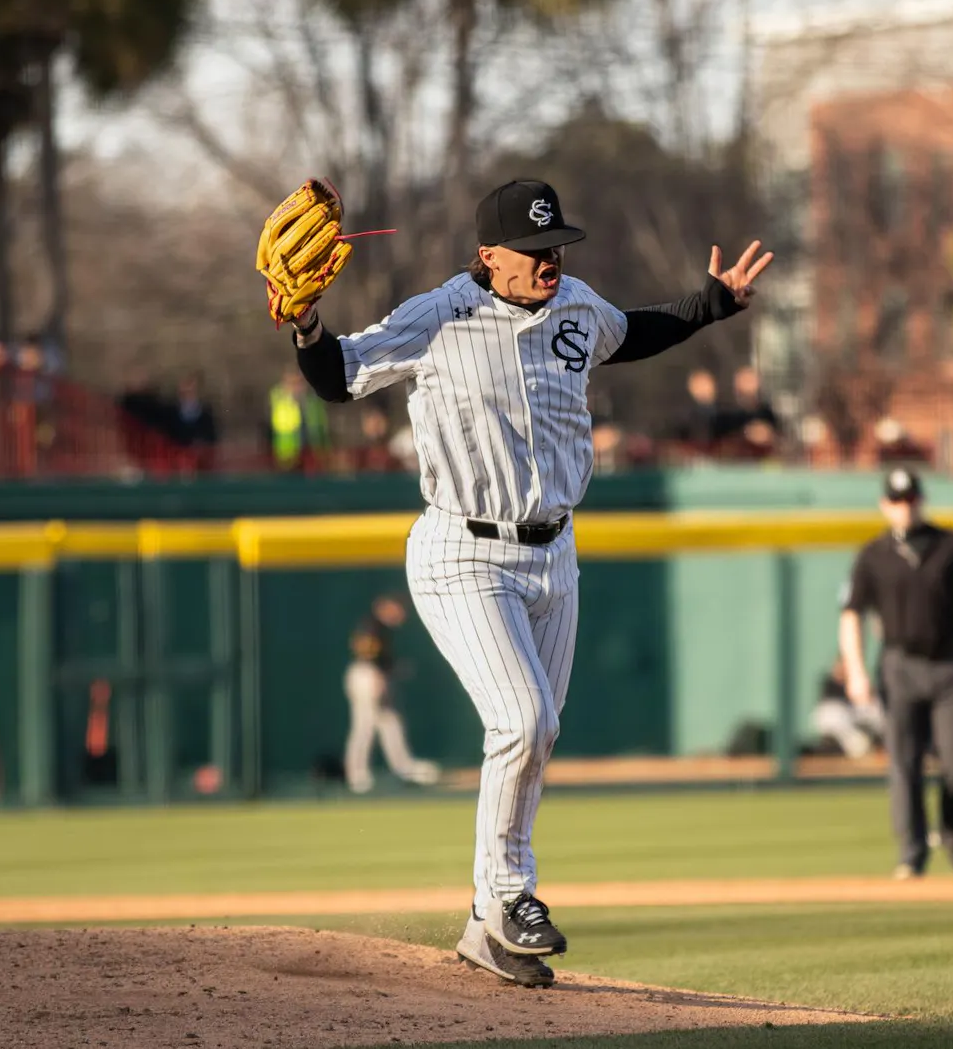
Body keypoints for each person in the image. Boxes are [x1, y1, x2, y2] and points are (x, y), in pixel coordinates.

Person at [286, 178, 771, 987]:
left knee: (537, 734)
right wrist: (304, 323)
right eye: (535, 250)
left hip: (555, 551)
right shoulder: (436, 316)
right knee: (521, 716)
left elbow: (631, 333)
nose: (551, 261)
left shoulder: (576, 303)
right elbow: (340, 375)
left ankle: (486, 925)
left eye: (557, 247)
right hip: (462, 549)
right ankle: (512, 895)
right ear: (488, 257)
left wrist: (711, 304)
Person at [838, 467, 953, 880]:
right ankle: (912, 853)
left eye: (910, 499)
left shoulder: (952, 546)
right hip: (898, 666)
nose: (905, 507)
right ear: (884, 505)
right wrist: (855, 670)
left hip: (948, 666)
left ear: (921, 500)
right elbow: (851, 613)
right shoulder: (873, 555)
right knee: (904, 764)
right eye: (897, 500)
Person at [343, 594, 442, 794]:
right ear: (386, 607)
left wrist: (392, 669)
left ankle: (403, 768)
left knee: (390, 723)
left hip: (373, 675)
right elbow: (366, 652)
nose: (400, 615)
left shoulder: (380, 628)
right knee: (365, 726)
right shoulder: (372, 625)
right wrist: (378, 677)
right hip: (367, 676)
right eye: (397, 610)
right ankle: (356, 776)